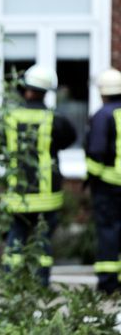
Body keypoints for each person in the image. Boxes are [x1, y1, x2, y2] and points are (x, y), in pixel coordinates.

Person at [2, 64, 76, 286]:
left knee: (16, 236)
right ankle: (41, 284)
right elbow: (70, 137)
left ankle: (11, 283)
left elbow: (1, 145)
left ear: (26, 89)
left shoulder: (10, 117)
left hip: (18, 192)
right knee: (43, 240)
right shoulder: (54, 119)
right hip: (47, 193)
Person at [85, 67, 121, 295]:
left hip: (109, 186)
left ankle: (108, 283)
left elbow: (96, 151)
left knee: (109, 231)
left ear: (103, 92)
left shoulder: (103, 115)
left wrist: (93, 177)